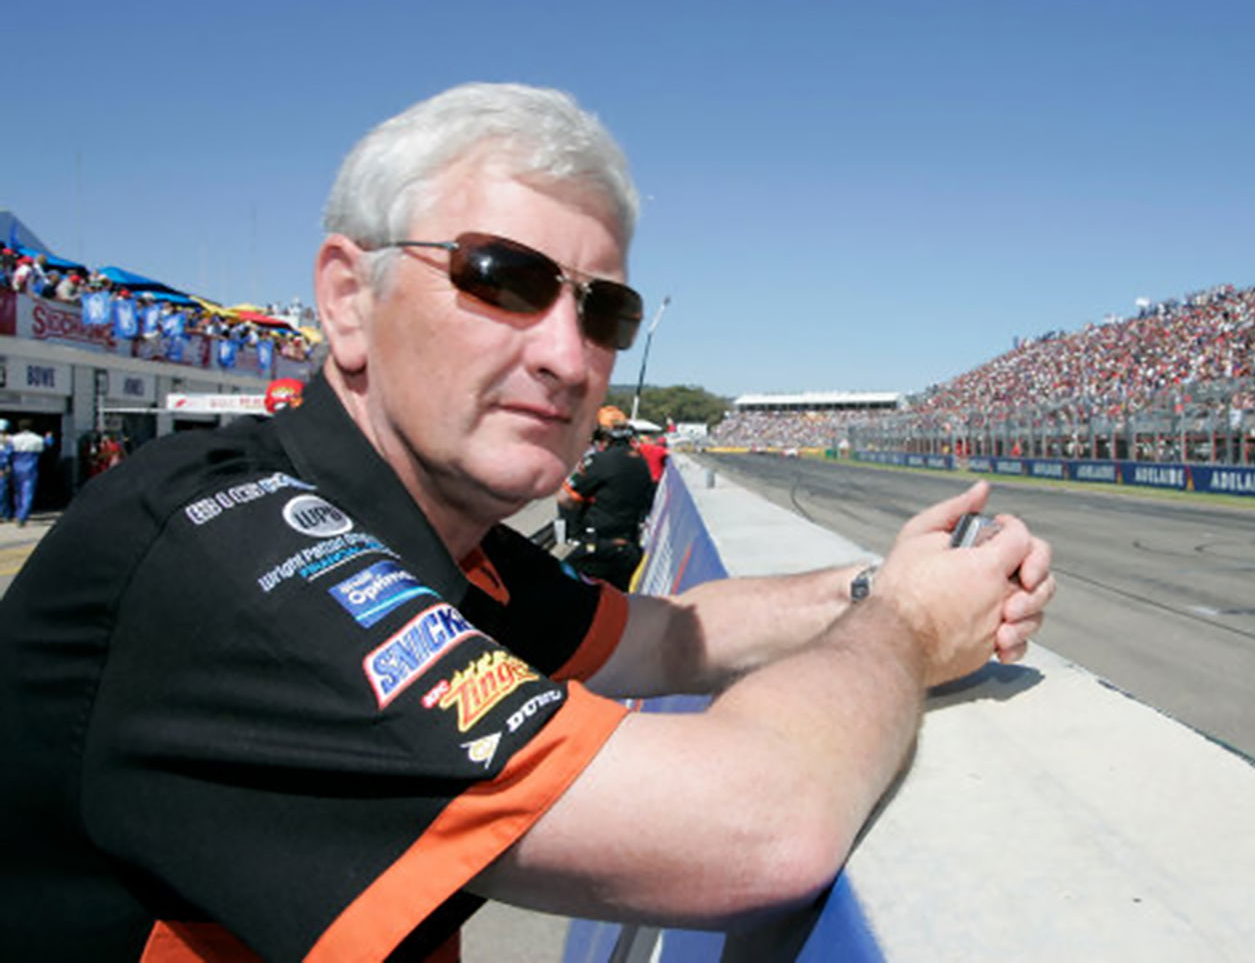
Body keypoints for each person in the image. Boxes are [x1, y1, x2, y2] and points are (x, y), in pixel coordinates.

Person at [0, 82, 1053, 962]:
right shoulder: (228, 546)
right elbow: (759, 822)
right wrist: (911, 630)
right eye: (502, 277)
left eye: (602, 310)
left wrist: (880, 583)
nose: (565, 355)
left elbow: (670, 633)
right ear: (347, 300)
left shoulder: (446, 545)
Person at [561, 416, 657, 588]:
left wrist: (574, 527)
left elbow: (565, 497)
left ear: (604, 438)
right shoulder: (640, 462)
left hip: (599, 549)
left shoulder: (600, 462)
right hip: (629, 547)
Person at [8, 419, 52, 524]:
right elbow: (48, 445)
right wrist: (49, 437)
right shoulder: (37, 439)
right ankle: (23, 515)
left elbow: (7, 453)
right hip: (31, 466)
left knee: (17, 492)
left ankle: (18, 513)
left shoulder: (13, 439)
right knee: (28, 491)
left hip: (16, 465)